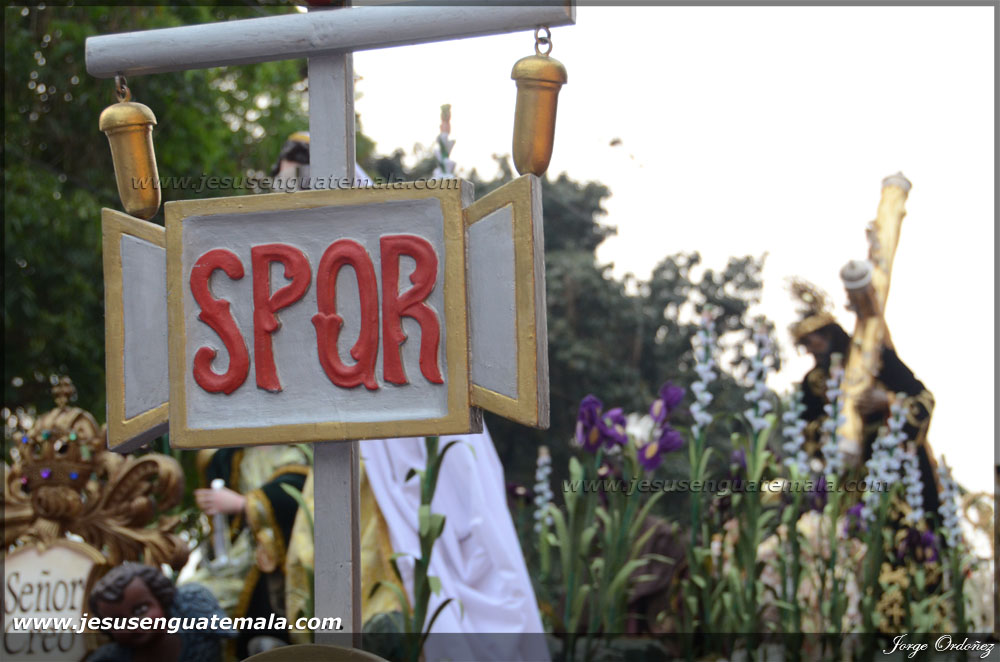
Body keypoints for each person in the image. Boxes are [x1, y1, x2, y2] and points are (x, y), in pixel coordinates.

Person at [183, 445, 310, 659]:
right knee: (189, 600)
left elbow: (298, 494)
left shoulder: (293, 452)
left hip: (279, 556)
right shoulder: (236, 453)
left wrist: (243, 504)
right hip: (240, 554)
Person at [86, 563, 234, 662]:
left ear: (161, 599)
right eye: (118, 622)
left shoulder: (191, 614)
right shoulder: (111, 658)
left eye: (141, 610)